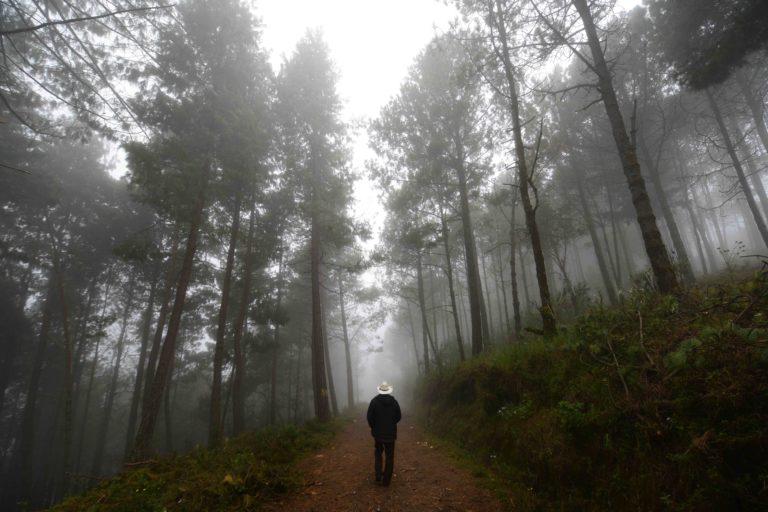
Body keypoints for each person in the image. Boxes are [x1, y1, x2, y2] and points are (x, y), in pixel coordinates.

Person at [366, 381, 401, 486]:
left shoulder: (374, 401)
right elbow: (399, 416)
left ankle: (378, 475)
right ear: (388, 391)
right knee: (390, 457)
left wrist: (374, 427)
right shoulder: (394, 402)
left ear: (380, 390)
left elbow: (369, 417)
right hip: (390, 434)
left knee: (378, 454)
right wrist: (391, 424)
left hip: (378, 435)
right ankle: (386, 481)